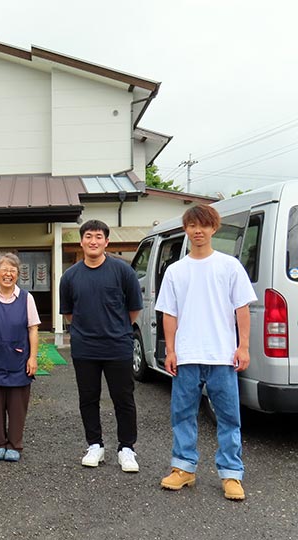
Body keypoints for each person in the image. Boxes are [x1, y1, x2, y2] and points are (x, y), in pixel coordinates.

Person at [156, 204, 256, 501]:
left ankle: (231, 474)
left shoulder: (229, 266)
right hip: (186, 356)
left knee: (229, 417)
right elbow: (169, 314)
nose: (198, 231)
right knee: (182, 414)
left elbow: (242, 309)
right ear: (185, 229)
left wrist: (244, 346)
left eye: (204, 225)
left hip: (222, 356)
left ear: (214, 228)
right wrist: (170, 350)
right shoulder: (175, 270)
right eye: (192, 225)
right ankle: (183, 468)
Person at [59, 220, 143, 472]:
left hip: (118, 346)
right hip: (85, 348)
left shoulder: (122, 271)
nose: (93, 241)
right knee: (88, 397)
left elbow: (134, 309)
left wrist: (115, 329)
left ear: (106, 242)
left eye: (98, 236)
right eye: (88, 236)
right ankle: (94, 444)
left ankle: (126, 448)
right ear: (81, 241)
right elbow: (69, 314)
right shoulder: (70, 276)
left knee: (123, 398)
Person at [0, 252, 39, 462]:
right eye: (4, 270)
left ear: (18, 274)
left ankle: (15, 445)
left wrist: (33, 358)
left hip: (19, 358)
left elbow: (33, 330)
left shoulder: (26, 298)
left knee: (18, 405)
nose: (8, 274)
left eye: (12, 270)